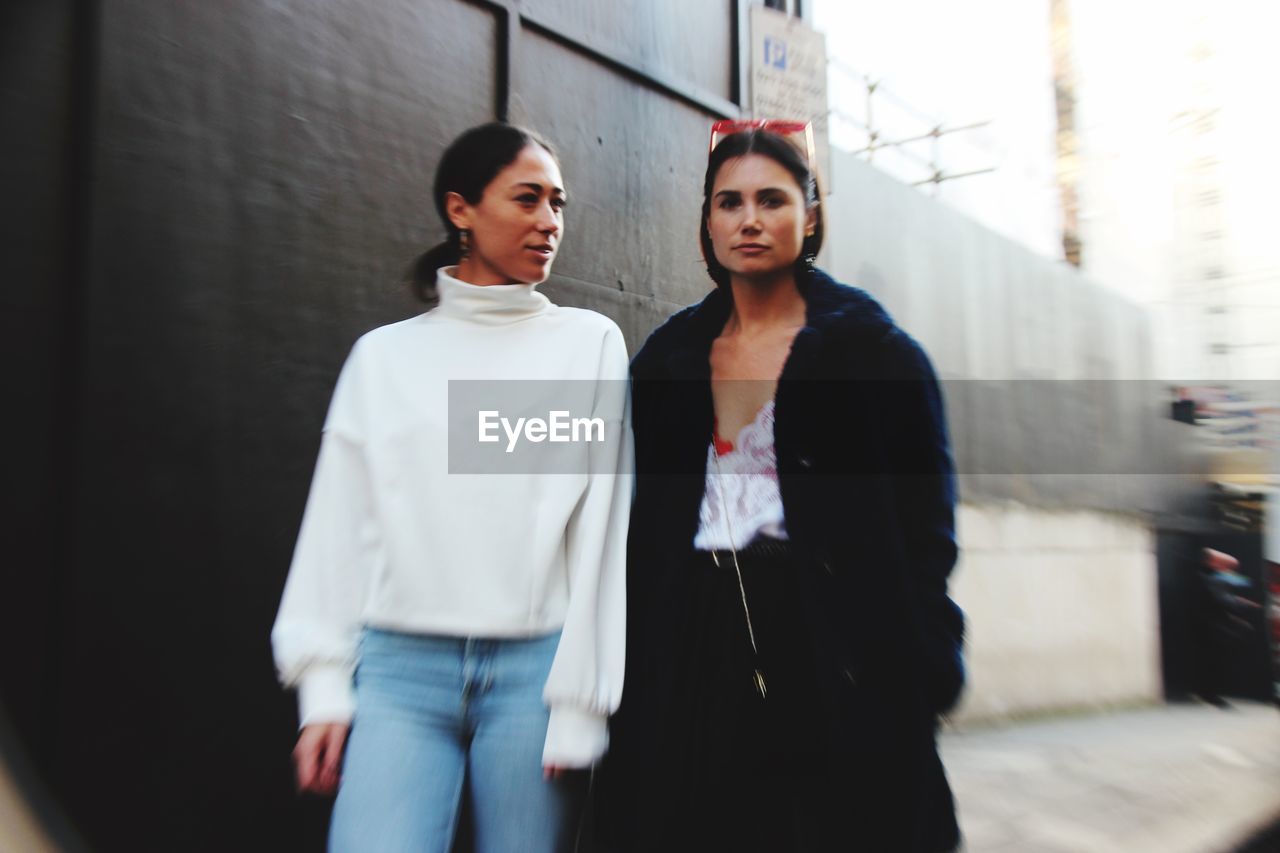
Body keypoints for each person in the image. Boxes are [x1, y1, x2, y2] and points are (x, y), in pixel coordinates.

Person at [597, 122, 964, 851]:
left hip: (832, 641)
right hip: (690, 642)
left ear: (812, 212)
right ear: (707, 222)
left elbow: (928, 531)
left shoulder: (875, 354)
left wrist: (923, 660)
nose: (751, 219)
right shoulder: (666, 362)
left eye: (772, 198)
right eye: (729, 202)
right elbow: (632, 522)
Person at [271, 122, 631, 853]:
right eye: (527, 198)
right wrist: (325, 686)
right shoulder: (383, 358)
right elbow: (339, 525)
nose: (549, 222)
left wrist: (581, 703)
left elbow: (601, 529)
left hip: (536, 676)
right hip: (398, 672)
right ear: (460, 209)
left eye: (558, 203)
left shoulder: (588, 344)